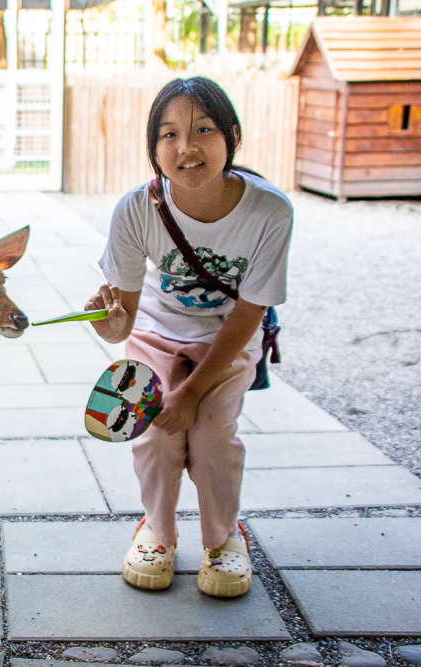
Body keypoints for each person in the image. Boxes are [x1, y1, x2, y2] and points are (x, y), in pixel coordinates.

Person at [85, 76, 293, 598]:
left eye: (203, 130)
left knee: (211, 438)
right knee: (156, 434)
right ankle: (156, 528)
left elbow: (250, 312)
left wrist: (192, 393)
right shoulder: (137, 209)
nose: (187, 147)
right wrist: (102, 321)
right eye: (169, 134)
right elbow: (122, 326)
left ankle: (224, 539)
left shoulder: (270, 211)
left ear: (232, 137)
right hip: (156, 333)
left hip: (228, 338)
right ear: (154, 148)